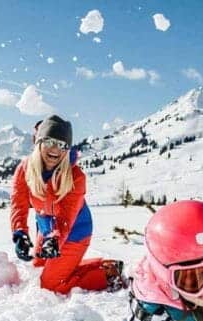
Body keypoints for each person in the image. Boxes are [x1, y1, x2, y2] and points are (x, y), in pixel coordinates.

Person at [10, 114, 125, 294]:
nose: (56, 149)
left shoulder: (76, 177)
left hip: (74, 232)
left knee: (51, 285)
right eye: (50, 142)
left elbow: (66, 217)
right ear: (40, 142)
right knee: (38, 265)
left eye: (62, 145)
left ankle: (107, 274)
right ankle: (84, 265)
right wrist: (19, 233)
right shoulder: (25, 169)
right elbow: (19, 203)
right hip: (47, 229)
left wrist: (55, 240)